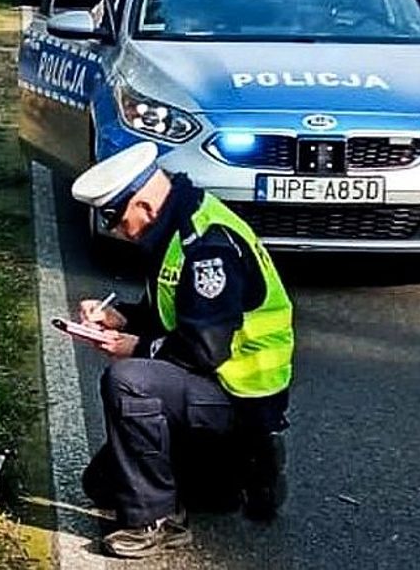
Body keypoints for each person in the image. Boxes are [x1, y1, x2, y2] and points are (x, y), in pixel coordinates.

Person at [70, 141, 294, 559]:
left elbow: (204, 348)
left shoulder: (208, 246)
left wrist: (136, 346)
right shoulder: (179, 227)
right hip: (208, 391)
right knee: (101, 486)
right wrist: (121, 319)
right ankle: (241, 471)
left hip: (239, 396)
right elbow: (178, 315)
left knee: (129, 381)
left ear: (147, 207)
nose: (117, 230)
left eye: (116, 217)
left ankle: (157, 521)